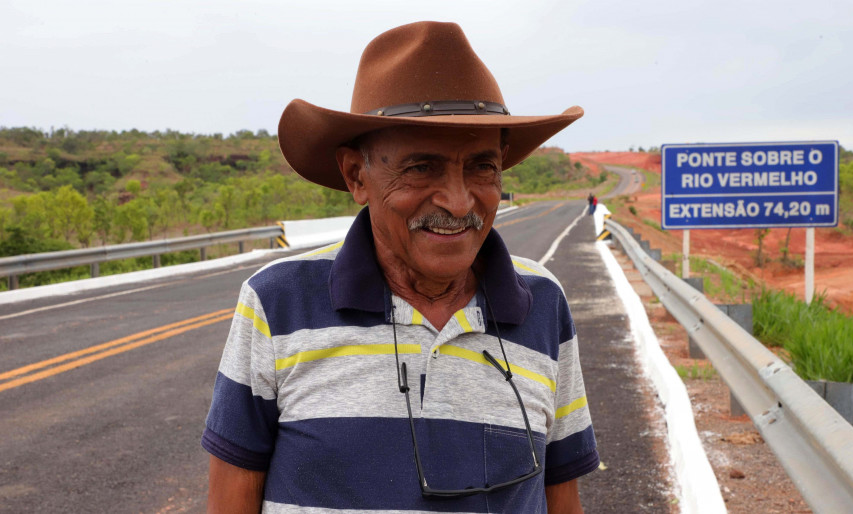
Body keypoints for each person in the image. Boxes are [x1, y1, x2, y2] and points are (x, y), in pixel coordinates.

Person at [202, 21, 599, 513]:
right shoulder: (277, 302)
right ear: (357, 176)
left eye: (481, 167)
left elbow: (562, 497)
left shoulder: (542, 303)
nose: (458, 202)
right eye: (421, 168)